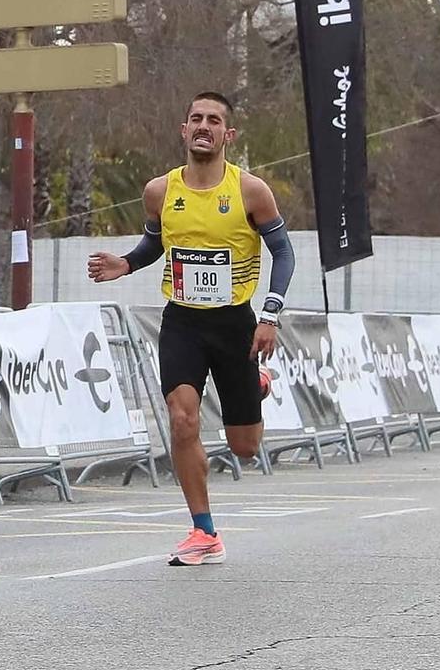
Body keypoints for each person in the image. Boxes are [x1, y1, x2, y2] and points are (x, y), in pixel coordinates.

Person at [87, 92, 294, 568]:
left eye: (214, 120)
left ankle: (254, 386)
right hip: (182, 320)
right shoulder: (160, 191)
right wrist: (127, 263)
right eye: (196, 119)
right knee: (182, 419)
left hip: (235, 323)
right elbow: (155, 243)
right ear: (184, 131)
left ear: (228, 135)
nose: (204, 126)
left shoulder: (251, 191)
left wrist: (270, 315)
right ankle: (204, 532)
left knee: (245, 448)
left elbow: (284, 253)